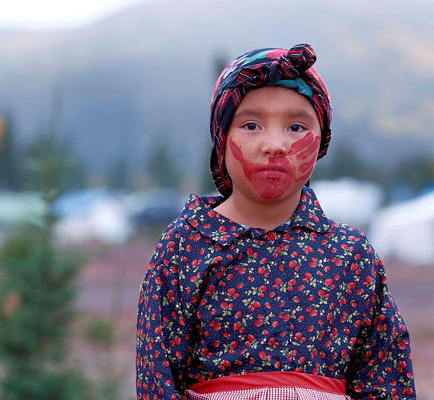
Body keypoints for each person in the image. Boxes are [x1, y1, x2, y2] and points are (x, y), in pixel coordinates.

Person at [136, 43, 415, 400]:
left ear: (322, 140)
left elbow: (386, 381)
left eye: (297, 126)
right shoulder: (186, 245)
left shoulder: (351, 255)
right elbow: (156, 380)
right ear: (222, 139)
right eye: (251, 125)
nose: (275, 144)